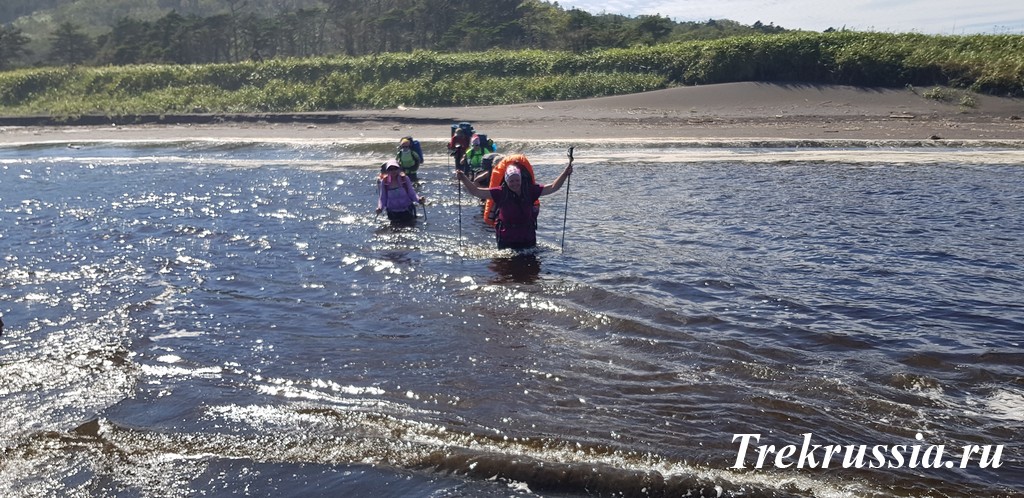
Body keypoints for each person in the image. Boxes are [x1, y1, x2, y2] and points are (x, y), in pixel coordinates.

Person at [457, 157, 573, 250]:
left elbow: (553, 187)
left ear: (521, 179)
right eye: (511, 181)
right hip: (507, 240)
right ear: (507, 181)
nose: (515, 183)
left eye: (517, 180)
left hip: (527, 239)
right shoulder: (500, 192)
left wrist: (565, 174)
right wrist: (463, 178)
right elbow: (476, 192)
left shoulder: (530, 190)